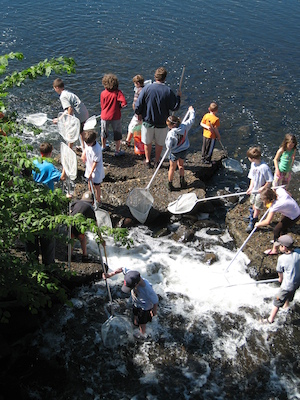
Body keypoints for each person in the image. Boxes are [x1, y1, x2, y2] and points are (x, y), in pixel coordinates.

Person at [135, 66, 181, 169]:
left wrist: (139, 113)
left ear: (155, 77)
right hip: (162, 122)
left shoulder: (146, 88)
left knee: (147, 142)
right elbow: (174, 107)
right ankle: (156, 161)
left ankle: (147, 161)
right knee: (160, 143)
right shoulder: (168, 91)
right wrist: (178, 97)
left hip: (148, 121)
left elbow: (138, 105)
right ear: (164, 78)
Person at [28, 142, 66, 265]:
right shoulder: (49, 166)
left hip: (33, 199)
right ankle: (48, 265)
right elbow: (62, 178)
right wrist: (66, 166)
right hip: (46, 202)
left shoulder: (33, 162)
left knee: (32, 234)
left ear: (40, 152)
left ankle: (32, 264)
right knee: (48, 236)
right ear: (50, 152)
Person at [103, 267, 158, 339]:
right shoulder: (130, 273)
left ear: (137, 284)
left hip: (144, 307)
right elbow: (122, 269)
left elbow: (155, 300)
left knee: (142, 322)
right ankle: (136, 324)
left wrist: (154, 310)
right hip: (136, 303)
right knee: (136, 319)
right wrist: (110, 274)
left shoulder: (147, 289)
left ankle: (142, 334)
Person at [262, 235, 300, 324]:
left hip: (287, 286)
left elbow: (279, 271)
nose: (279, 247)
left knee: (277, 301)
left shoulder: (282, 258)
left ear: (284, 247)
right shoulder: (298, 252)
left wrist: (280, 278)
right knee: (290, 295)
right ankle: (286, 306)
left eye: (280, 246)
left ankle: (270, 320)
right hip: (296, 282)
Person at [256, 186, 300, 255]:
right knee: (281, 228)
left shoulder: (275, 205)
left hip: (293, 216)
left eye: (263, 200)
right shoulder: (280, 190)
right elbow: (290, 195)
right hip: (295, 209)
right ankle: (281, 241)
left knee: (276, 230)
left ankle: (275, 250)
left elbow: (267, 221)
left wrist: (258, 224)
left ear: (268, 199)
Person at [53, 78, 89, 150]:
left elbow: (70, 109)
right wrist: (59, 118)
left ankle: (69, 150)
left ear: (57, 88)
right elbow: (67, 110)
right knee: (81, 131)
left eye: (54, 88)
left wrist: (68, 122)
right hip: (84, 113)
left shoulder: (62, 96)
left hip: (78, 115)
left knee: (70, 133)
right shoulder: (68, 93)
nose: (55, 90)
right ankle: (84, 147)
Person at [165, 106, 195, 191]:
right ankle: (182, 181)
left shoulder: (171, 134)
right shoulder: (185, 126)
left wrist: (169, 146)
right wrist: (191, 111)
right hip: (183, 150)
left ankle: (170, 184)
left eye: (169, 126)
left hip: (175, 152)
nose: (168, 127)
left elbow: (169, 146)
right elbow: (192, 119)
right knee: (181, 165)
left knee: (172, 168)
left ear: (173, 125)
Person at [244, 146, 273, 232]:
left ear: (252, 158)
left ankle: (253, 221)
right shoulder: (253, 165)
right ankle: (252, 215)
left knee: (257, 207)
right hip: (254, 190)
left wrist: (263, 188)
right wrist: (250, 188)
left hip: (261, 192)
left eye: (249, 157)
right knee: (253, 203)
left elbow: (269, 181)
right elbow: (252, 178)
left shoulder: (264, 167)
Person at [100, 73, 127, 157]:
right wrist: (119, 107)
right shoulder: (118, 93)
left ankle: (103, 146)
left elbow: (102, 105)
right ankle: (117, 151)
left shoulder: (103, 93)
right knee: (117, 134)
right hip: (115, 116)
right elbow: (124, 103)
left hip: (104, 116)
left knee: (104, 132)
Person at [81, 130, 105, 209]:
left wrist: (91, 173)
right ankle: (91, 197)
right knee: (89, 182)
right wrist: (84, 154)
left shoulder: (97, 149)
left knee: (96, 185)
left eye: (89, 143)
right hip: (89, 166)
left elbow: (95, 162)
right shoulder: (88, 142)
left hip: (95, 170)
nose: (87, 144)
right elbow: (85, 148)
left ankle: (98, 201)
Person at [70, 191, 97, 263]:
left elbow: (71, 210)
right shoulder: (90, 208)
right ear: (93, 202)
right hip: (79, 224)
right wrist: (100, 238)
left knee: (72, 236)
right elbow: (95, 224)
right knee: (82, 238)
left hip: (70, 222)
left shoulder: (76, 202)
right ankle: (84, 256)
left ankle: (70, 254)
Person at [125, 75, 145, 146]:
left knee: (131, 126)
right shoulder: (146, 89)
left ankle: (128, 141)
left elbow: (135, 104)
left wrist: (137, 113)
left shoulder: (138, 91)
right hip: (146, 114)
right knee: (143, 127)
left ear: (138, 83)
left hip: (138, 114)